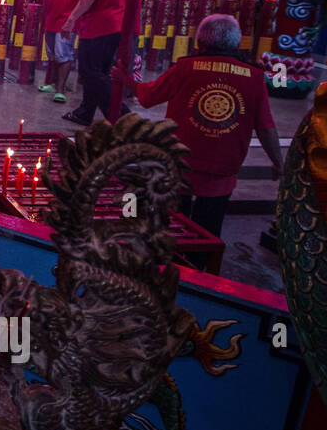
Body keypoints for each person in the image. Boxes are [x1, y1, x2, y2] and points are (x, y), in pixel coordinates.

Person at [120, 14, 283, 253]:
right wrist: (278, 162)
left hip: (179, 163)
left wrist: (125, 79)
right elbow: (266, 127)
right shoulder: (254, 76)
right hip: (223, 169)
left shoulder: (185, 67)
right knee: (209, 229)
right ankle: (201, 271)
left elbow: (147, 97)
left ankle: (170, 263)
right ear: (237, 43)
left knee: (173, 224)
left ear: (200, 42)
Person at [61, 0, 133, 126]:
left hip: (98, 25)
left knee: (90, 72)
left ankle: (124, 117)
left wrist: (70, 19)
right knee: (100, 71)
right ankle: (85, 112)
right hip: (118, 24)